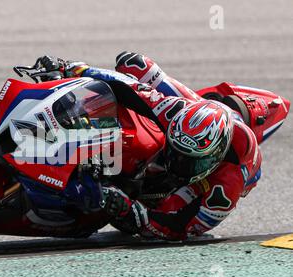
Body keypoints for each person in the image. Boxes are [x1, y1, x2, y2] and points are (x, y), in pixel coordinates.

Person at [36, 52, 262, 240]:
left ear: (215, 157)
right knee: (134, 63)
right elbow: (131, 88)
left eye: (188, 161)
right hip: (198, 106)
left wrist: (131, 211)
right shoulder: (174, 110)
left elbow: (178, 227)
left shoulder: (226, 186)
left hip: (224, 170)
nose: (176, 164)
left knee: (165, 206)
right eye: (176, 153)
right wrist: (74, 69)